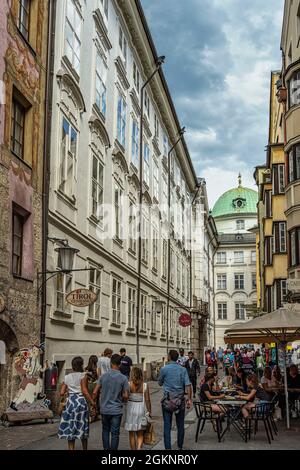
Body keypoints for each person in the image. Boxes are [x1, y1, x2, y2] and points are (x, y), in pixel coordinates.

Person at [93, 354, 129, 450]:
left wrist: (94, 404)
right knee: (115, 434)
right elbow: (126, 395)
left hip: (104, 409)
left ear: (110, 363)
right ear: (119, 364)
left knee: (105, 431)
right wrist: (121, 399)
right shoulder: (123, 378)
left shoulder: (103, 377)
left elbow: (95, 391)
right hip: (116, 410)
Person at [58, 356, 94, 450]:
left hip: (70, 403)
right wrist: (92, 402)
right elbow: (85, 391)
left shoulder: (67, 377)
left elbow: (61, 393)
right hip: (81, 402)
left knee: (71, 428)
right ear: (81, 365)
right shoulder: (83, 376)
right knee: (82, 427)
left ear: (73, 366)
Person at [158, 350, 192, 450]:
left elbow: (159, 383)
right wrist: (189, 399)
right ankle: (180, 447)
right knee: (180, 425)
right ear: (177, 358)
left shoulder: (164, 369)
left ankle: (168, 448)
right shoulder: (183, 370)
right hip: (180, 400)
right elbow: (188, 385)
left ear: (169, 357)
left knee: (167, 426)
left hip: (167, 401)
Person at [124, 367, 152, 450]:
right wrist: (149, 411)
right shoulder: (145, 385)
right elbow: (147, 400)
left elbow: (125, 397)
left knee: (131, 434)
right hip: (141, 410)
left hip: (130, 410)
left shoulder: (128, 384)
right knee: (140, 433)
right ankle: (139, 448)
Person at [85, 355, 99, 422]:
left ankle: (88, 416)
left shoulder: (86, 368)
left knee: (89, 400)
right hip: (94, 385)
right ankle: (94, 416)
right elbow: (98, 377)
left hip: (88, 385)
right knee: (94, 401)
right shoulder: (96, 368)